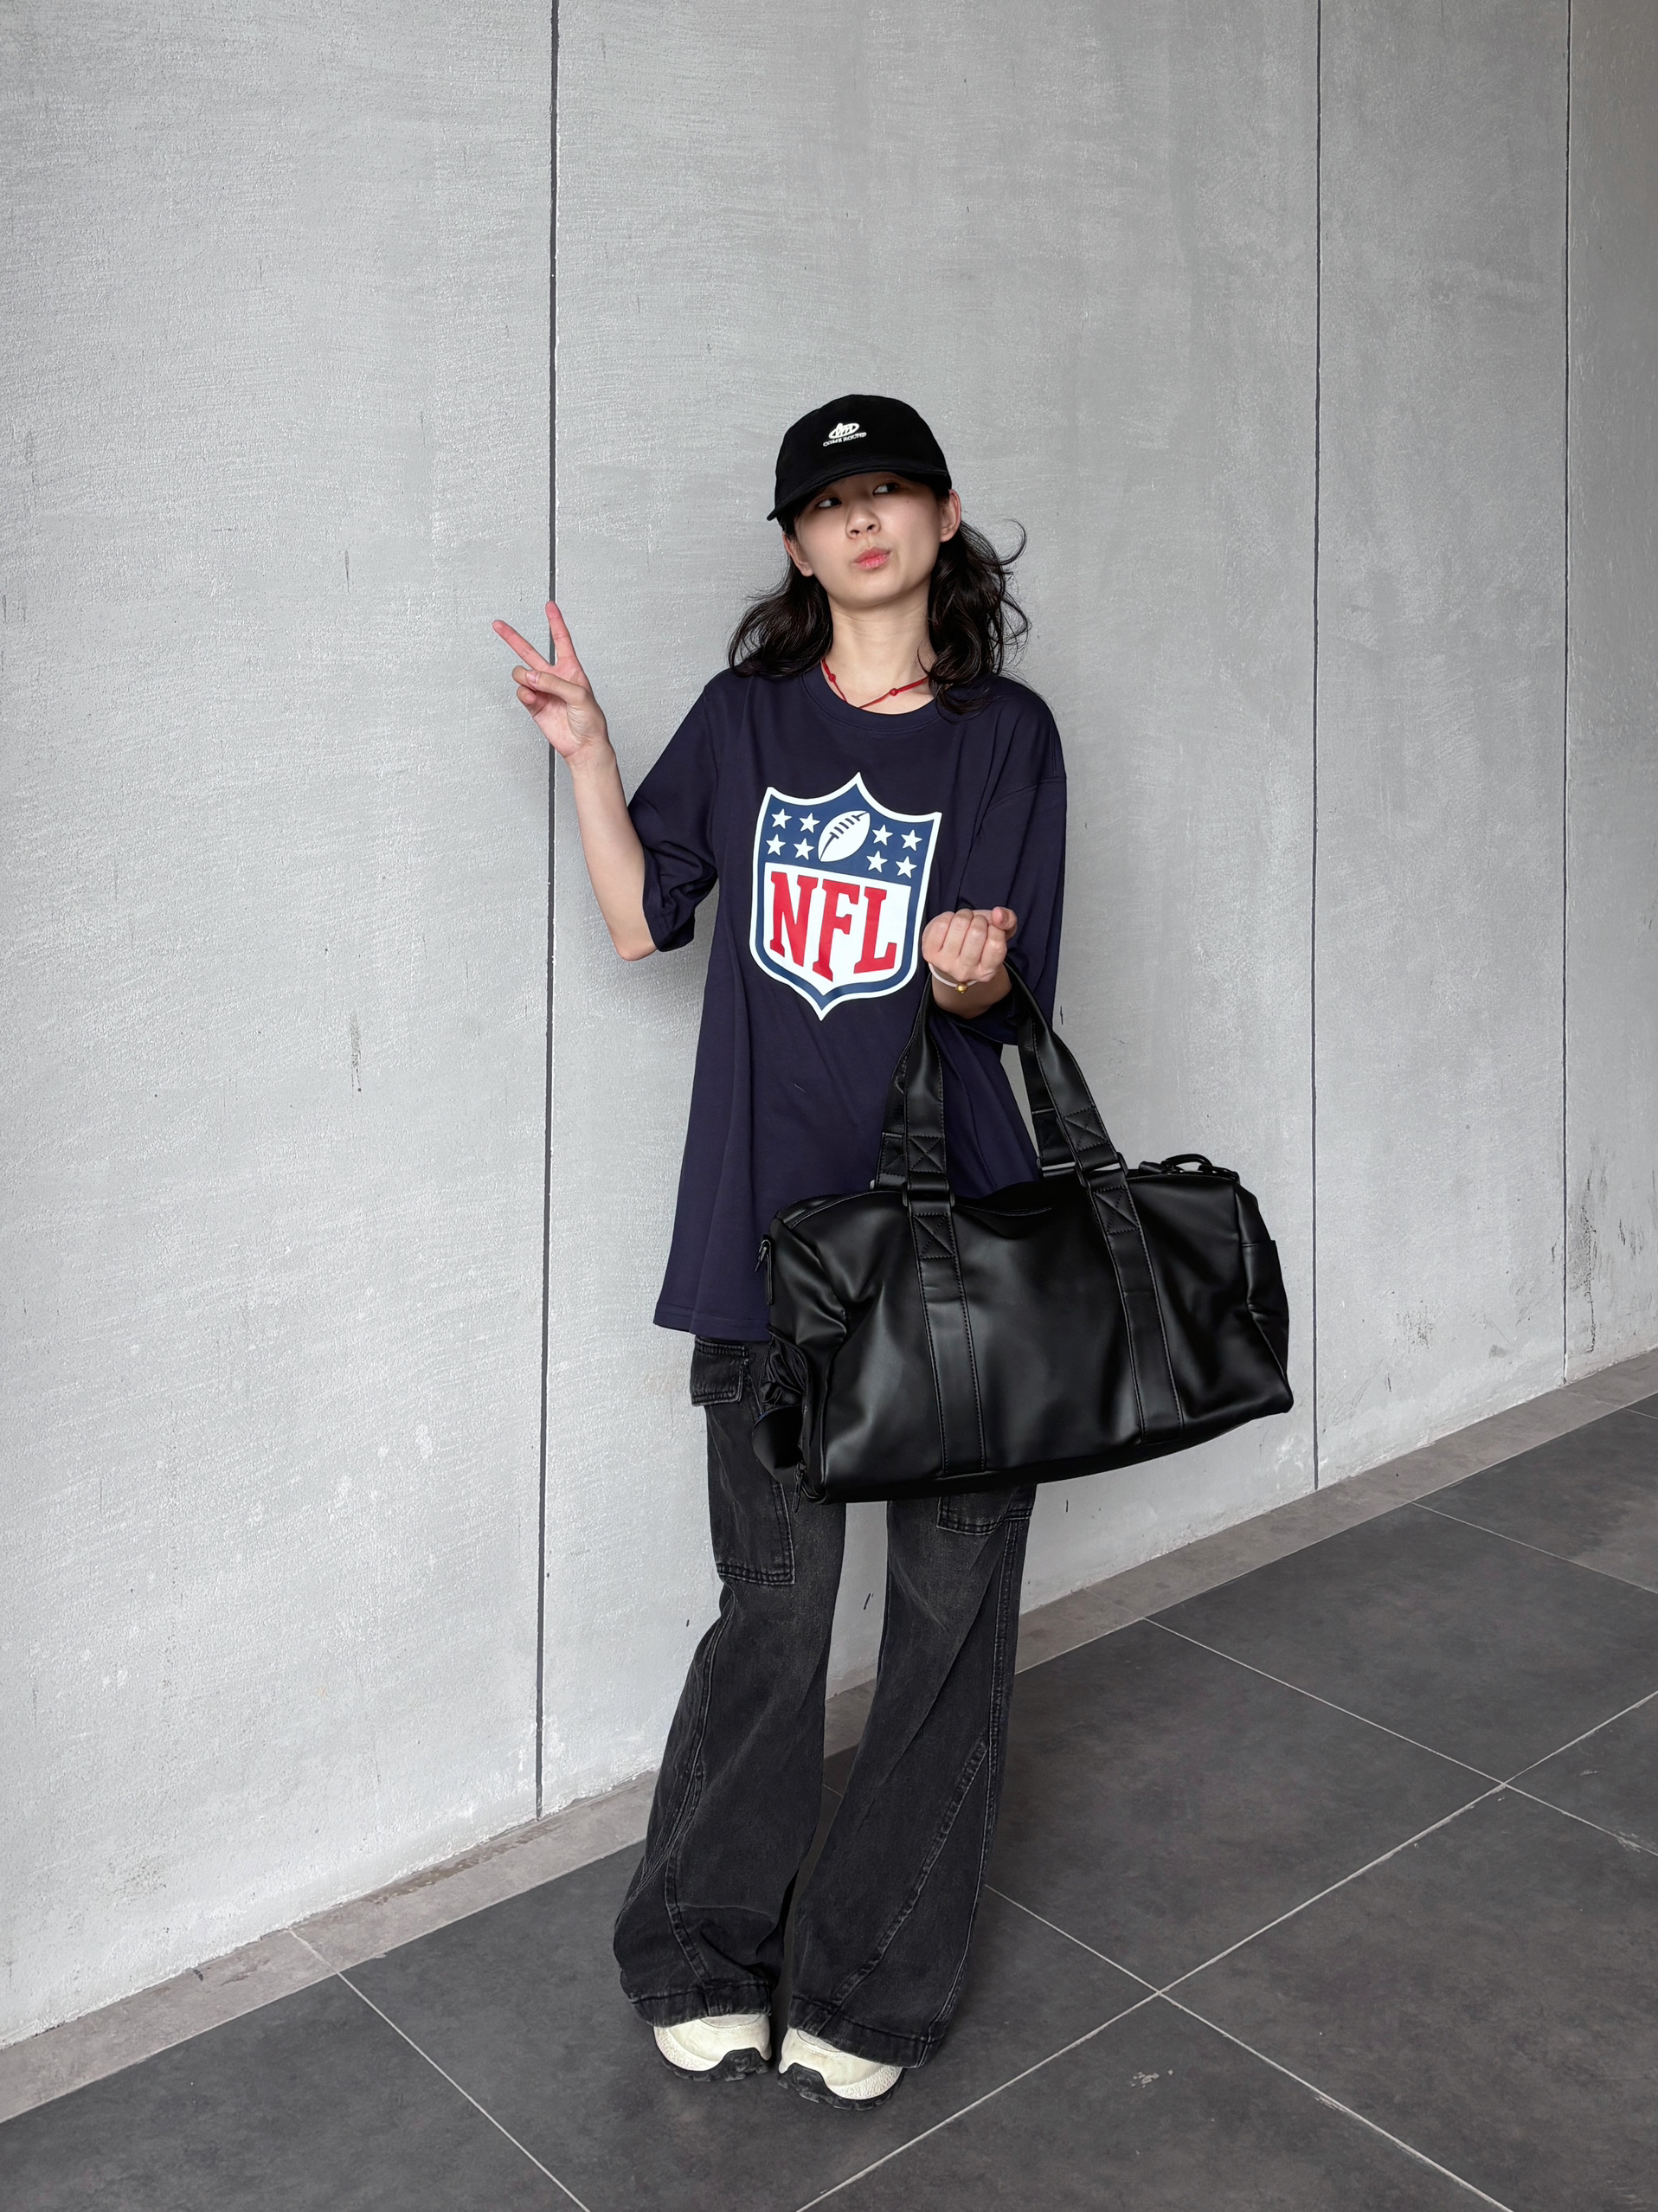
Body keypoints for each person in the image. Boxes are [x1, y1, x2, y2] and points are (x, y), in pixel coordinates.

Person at [492, 395, 1067, 2110]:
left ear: (943, 518)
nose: (862, 519)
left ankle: (873, 1982)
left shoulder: (1005, 736)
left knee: (949, 1622)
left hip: (959, 1249)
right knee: (776, 1610)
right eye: (829, 501)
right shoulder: (745, 722)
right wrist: (590, 754)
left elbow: (1006, 1002)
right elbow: (637, 920)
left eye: (890, 490)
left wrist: (972, 970)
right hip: (767, 1243)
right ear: (801, 546)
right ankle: (699, 1946)